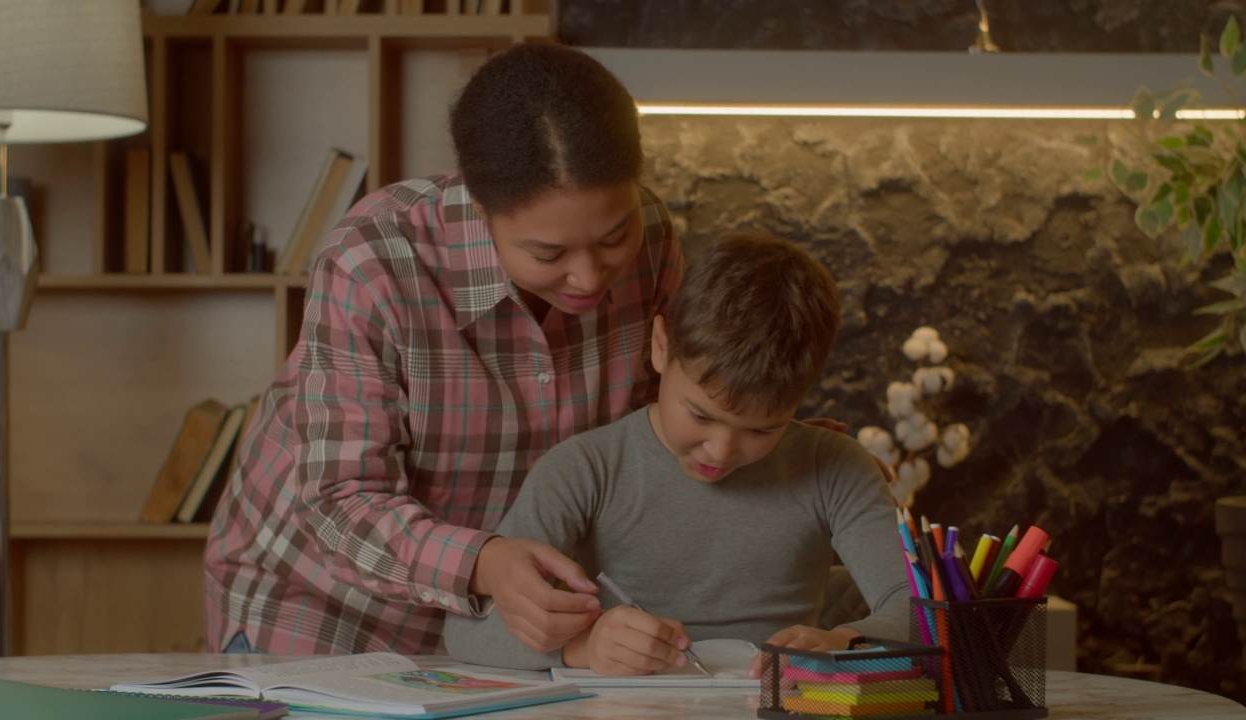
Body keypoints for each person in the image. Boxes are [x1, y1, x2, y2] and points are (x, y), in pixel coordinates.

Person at [202, 42, 684, 655]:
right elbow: (341, 503)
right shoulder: (372, 260)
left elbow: (654, 429)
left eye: (614, 237)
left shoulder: (657, 238)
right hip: (318, 599)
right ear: (481, 209)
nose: (589, 277)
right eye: (548, 254)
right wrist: (485, 562)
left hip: (505, 619)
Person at [442, 231, 911, 677]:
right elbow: (466, 632)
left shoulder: (835, 467)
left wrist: (846, 644)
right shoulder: (584, 470)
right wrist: (585, 647)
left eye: (761, 428)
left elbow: (919, 608)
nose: (721, 451)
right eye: (701, 415)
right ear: (661, 347)